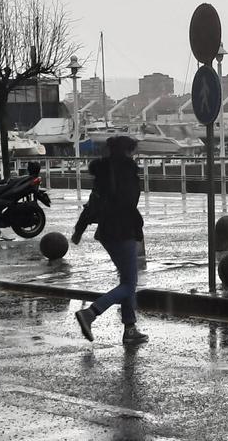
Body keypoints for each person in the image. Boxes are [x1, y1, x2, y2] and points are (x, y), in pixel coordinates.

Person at [75, 135, 148, 345]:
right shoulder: (127, 170)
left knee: (126, 279)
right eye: (132, 150)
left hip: (106, 230)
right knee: (129, 284)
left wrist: (80, 229)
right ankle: (91, 313)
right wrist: (137, 223)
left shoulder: (103, 171)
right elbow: (129, 202)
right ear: (127, 151)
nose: (134, 154)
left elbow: (93, 202)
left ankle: (130, 328)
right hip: (123, 230)